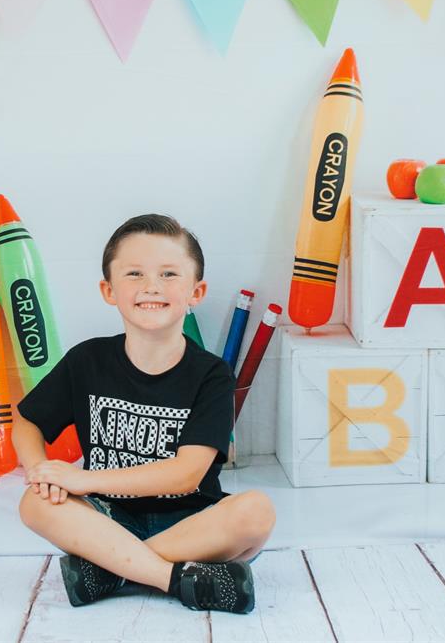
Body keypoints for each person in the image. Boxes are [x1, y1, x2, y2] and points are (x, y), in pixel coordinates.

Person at [14, 214, 275, 614]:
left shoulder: (212, 375)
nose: (151, 286)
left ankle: (111, 569)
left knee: (257, 513)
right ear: (108, 290)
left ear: (196, 291)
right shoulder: (88, 360)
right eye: (134, 273)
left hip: (191, 523)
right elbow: (27, 420)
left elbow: (186, 472)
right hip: (104, 518)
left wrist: (81, 478)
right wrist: (41, 472)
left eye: (169, 274)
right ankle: (174, 579)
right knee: (34, 504)